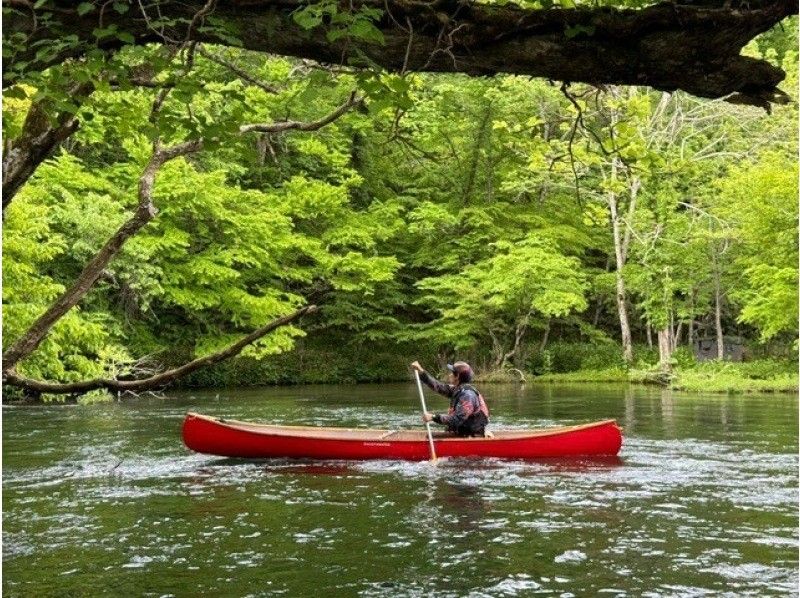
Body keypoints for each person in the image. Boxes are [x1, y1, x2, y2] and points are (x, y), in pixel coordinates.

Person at [410, 360, 489, 437]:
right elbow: (438, 386)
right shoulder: (458, 389)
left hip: (471, 435)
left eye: (452, 373)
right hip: (462, 432)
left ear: (457, 376)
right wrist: (421, 371)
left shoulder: (467, 395)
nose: (449, 375)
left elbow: (457, 420)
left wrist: (433, 417)